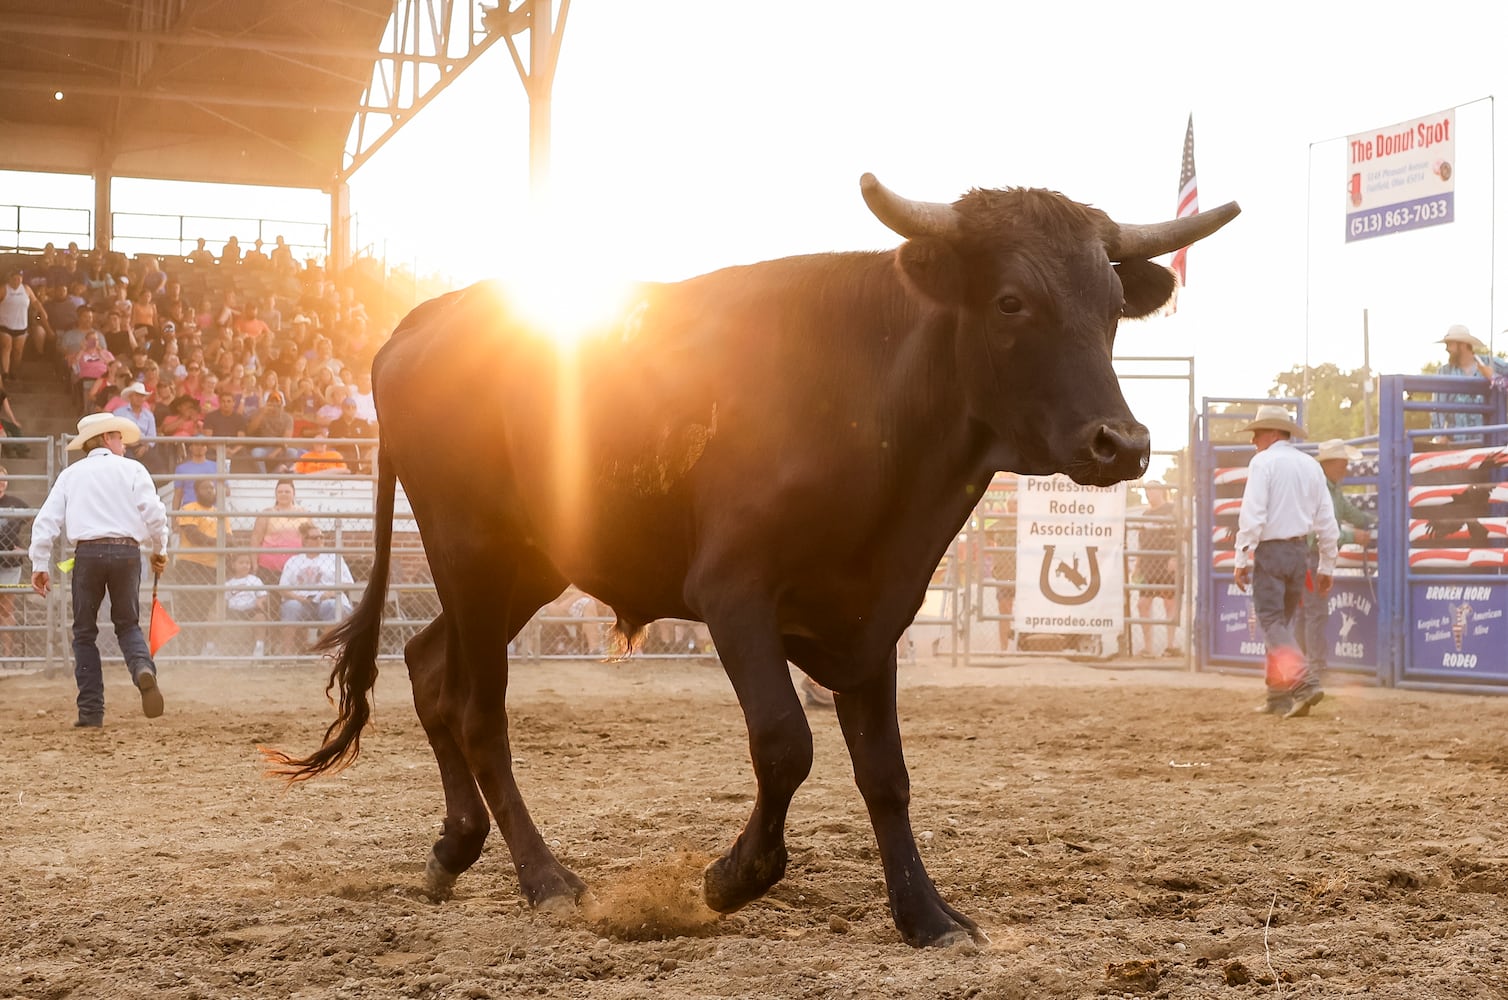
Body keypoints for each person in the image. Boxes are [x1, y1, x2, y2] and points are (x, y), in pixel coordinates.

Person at [28, 412, 170, 728]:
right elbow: (155, 514)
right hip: (127, 552)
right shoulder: (133, 469)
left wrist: (40, 563)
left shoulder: (71, 475)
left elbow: (46, 521)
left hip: (88, 554)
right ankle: (141, 669)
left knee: (84, 633)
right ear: (107, 438)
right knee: (127, 624)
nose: (123, 443)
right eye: (119, 436)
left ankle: (91, 711)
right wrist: (160, 550)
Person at [1232, 405, 1339, 720]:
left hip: (1272, 551)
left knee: (1272, 622)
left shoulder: (1263, 463)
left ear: (1273, 432)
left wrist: (1241, 556)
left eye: (1257, 433)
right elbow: (1326, 520)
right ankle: (1276, 695)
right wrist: (1326, 566)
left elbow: (1253, 514)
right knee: (1281, 624)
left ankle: (1302, 683)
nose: (1254, 440)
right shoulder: (1310, 466)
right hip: (1298, 554)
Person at [1297, 439, 1377, 680]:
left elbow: (1350, 513)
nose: (1345, 467)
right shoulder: (1320, 490)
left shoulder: (1330, 490)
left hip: (1309, 557)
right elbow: (1320, 530)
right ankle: (1315, 667)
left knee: (1307, 612)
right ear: (1329, 464)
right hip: (1311, 557)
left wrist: (1370, 521)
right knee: (1315, 612)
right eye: (1342, 463)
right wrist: (1354, 534)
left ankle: (1303, 665)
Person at [1430, 325, 1508, 439]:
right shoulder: (1444, 371)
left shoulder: (1492, 364)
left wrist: (1494, 377)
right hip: (1457, 443)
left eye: (1450, 344)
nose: (1446, 349)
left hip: (1490, 442)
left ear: (1462, 345)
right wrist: (1439, 436)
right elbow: (1437, 407)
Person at [1133, 481, 1181, 657]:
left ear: (1161, 490)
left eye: (1152, 489)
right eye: (1146, 490)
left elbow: (1179, 535)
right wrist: (1137, 565)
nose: (1148, 493)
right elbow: (1141, 542)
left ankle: (1170, 646)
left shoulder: (1171, 509)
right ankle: (1148, 648)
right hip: (1148, 565)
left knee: (1170, 603)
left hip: (1165, 565)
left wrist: (1175, 557)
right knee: (1142, 604)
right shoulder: (1146, 514)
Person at [173, 479, 221, 655]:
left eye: (212, 487)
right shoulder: (188, 508)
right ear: (196, 490)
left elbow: (230, 538)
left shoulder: (219, 512)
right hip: (189, 565)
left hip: (212, 567)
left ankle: (198, 652)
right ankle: (184, 651)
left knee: (203, 611)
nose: (210, 491)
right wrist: (216, 542)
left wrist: (211, 542)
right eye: (205, 487)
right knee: (187, 609)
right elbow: (194, 536)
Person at [278, 521, 353, 627]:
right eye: (314, 538)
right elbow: (283, 588)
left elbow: (348, 582)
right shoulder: (294, 560)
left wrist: (331, 593)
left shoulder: (333, 558)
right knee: (291, 606)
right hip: (300, 601)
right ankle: (288, 644)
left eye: (321, 537)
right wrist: (297, 597)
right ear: (305, 541)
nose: (319, 540)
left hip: (328, 599)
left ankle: (326, 643)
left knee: (332, 606)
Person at [0, 464, 32, 658]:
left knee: (6, 608)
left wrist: (27, 547)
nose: (1, 483)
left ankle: (7, 654)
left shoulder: (15, 503)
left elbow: (36, 520)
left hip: (10, 564)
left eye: (4, 480)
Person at [251, 479, 308, 585]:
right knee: (272, 599)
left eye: (287, 492)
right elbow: (256, 539)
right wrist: (254, 564)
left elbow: (311, 537)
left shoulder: (303, 513)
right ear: (275, 494)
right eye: (280, 492)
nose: (283, 494)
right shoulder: (267, 513)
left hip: (296, 567)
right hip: (269, 567)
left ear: (294, 493)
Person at [1, 269, 54, 381]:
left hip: (21, 326)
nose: (16, 281)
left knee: (18, 351)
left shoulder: (26, 289)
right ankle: (5, 373)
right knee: (6, 347)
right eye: (14, 278)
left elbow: (35, 301)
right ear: (9, 279)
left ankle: (14, 372)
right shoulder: (3, 289)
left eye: (19, 278)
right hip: (5, 325)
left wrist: (42, 311)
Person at [224, 552, 268, 654]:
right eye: (241, 563)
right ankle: (211, 646)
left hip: (250, 610)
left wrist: (260, 601)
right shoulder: (229, 583)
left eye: (247, 563)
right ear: (233, 565)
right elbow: (225, 599)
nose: (245, 565)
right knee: (216, 614)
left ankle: (259, 646)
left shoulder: (254, 580)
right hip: (232, 611)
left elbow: (263, 595)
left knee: (260, 617)